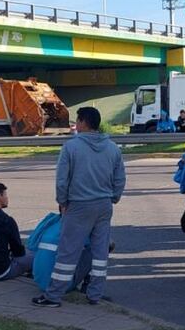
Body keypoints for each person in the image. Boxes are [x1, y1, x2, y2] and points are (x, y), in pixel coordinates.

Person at [33, 106, 126, 307]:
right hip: (104, 205)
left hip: (78, 205)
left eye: (77, 121)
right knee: (100, 252)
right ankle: (95, 294)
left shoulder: (71, 147)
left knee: (67, 252)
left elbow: (62, 180)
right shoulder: (112, 147)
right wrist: (114, 197)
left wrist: (62, 202)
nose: (75, 125)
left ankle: (53, 296)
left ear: (83, 122)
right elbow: (120, 178)